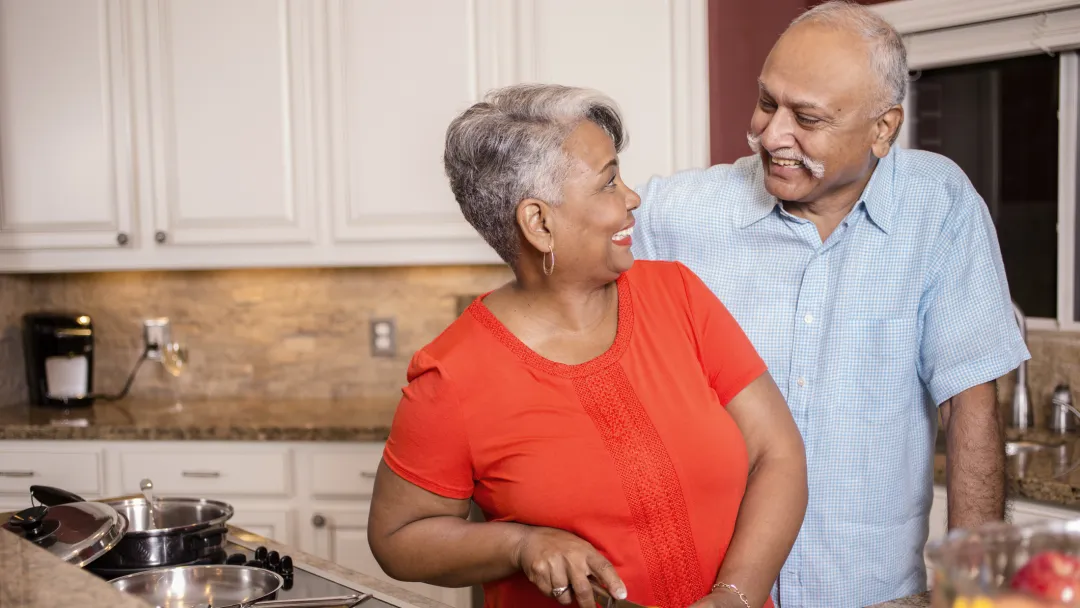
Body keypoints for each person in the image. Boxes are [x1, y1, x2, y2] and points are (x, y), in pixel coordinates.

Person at [631, 1, 1030, 607]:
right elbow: (561, 266)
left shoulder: (939, 206)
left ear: (883, 129)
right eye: (767, 102)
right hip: (710, 593)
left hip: (871, 592)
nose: (772, 135)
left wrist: (975, 594)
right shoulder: (681, 213)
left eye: (807, 118)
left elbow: (969, 405)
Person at [366, 83, 808, 608]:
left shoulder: (680, 296)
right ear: (539, 223)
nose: (632, 197)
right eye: (608, 183)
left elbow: (778, 455)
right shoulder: (452, 376)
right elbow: (397, 539)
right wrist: (520, 545)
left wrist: (734, 598)